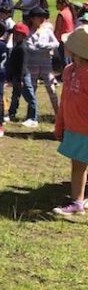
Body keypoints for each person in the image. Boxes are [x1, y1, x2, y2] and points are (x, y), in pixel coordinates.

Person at [52, 27, 88, 216]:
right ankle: (78, 202)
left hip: (85, 128)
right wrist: (60, 125)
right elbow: (64, 101)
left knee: (80, 166)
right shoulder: (68, 70)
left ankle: (78, 201)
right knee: (78, 166)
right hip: (74, 128)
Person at [25, 6, 59, 116]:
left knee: (51, 88)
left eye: (43, 16)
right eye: (39, 16)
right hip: (32, 64)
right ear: (32, 18)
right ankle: (31, 114)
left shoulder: (47, 31)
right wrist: (45, 48)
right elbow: (30, 48)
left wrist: (43, 45)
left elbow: (56, 44)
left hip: (46, 63)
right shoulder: (28, 32)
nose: (42, 19)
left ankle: (58, 113)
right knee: (32, 89)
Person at [7, 22, 38, 127]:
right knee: (15, 95)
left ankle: (33, 118)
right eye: (14, 34)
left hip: (23, 76)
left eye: (17, 34)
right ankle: (11, 113)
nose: (15, 36)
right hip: (17, 76)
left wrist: (20, 79)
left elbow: (22, 65)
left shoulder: (22, 48)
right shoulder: (17, 47)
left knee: (30, 97)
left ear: (24, 36)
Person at [55, 0, 76, 70]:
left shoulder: (61, 14)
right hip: (70, 38)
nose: (56, 5)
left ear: (62, 4)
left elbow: (58, 29)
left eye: (57, 4)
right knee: (69, 59)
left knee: (64, 60)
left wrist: (54, 39)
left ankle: (65, 74)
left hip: (63, 39)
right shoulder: (70, 12)